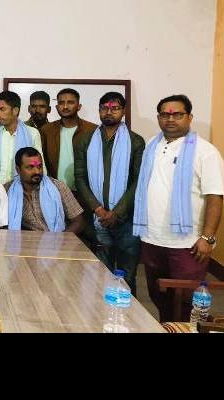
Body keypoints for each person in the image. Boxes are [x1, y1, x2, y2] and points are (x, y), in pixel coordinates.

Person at [133, 95, 224, 322]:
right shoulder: (151, 146)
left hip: (187, 243)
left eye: (177, 114)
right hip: (152, 238)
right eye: (165, 114)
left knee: (186, 299)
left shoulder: (206, 152)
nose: (170, 119)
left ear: (190, 117)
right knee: (158, 295)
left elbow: (215, 196)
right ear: (159, 118)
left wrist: (208, 237)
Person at [74, 92, 145, 293]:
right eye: (104, 108)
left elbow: (138, 181)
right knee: (98, 274)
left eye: (115, 108)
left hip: (126, 220)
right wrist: (98, 209)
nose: (109, 112)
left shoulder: (136, 141)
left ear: (123, 111)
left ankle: (128, 312)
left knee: (127, 275)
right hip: (97, 219)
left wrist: (117, 212)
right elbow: (80, 177)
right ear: (99, 110)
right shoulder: (85, 140)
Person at [7, 147, 84, 233]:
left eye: (39, 166)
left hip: (58, 237)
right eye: (30, 167)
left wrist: (60, 239)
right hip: (24, 240)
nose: (37, 171)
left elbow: (78, 222)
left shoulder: (58, 187)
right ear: (18, 170)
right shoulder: (8, 190)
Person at [41, 88, 97, 192]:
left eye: (70, 102)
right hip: (55, 191)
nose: (65, 106)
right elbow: (42, 161)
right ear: (57, 107)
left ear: (79, 106)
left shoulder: (93, 130)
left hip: (85, 191)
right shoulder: (46, 130)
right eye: (61, 103)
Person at [0, 90, 43, 185]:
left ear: (15, 110)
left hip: (23, 188)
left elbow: (40, 165)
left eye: (2, 109)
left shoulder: (32, 133)